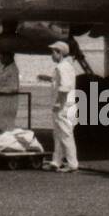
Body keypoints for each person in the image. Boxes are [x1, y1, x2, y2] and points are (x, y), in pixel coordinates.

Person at [47, 40, 79, 173]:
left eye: (53, 52)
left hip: (63, 106)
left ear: (59, 53)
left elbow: (64, 87)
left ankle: (72, 164)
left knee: (65, 134)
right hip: (66, 105)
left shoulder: (62, 67)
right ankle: (57, 161)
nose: (51, 55)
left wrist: (58, 103)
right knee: (59, 134)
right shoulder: (65, 66)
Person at [0, 49, 21, 134]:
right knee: (0, 128)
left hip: (8, 104)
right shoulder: (4, 68)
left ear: (8, 56)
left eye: (1, 56)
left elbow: (13, 88)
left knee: (6, 129)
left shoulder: (12, 70)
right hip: (1, 103)